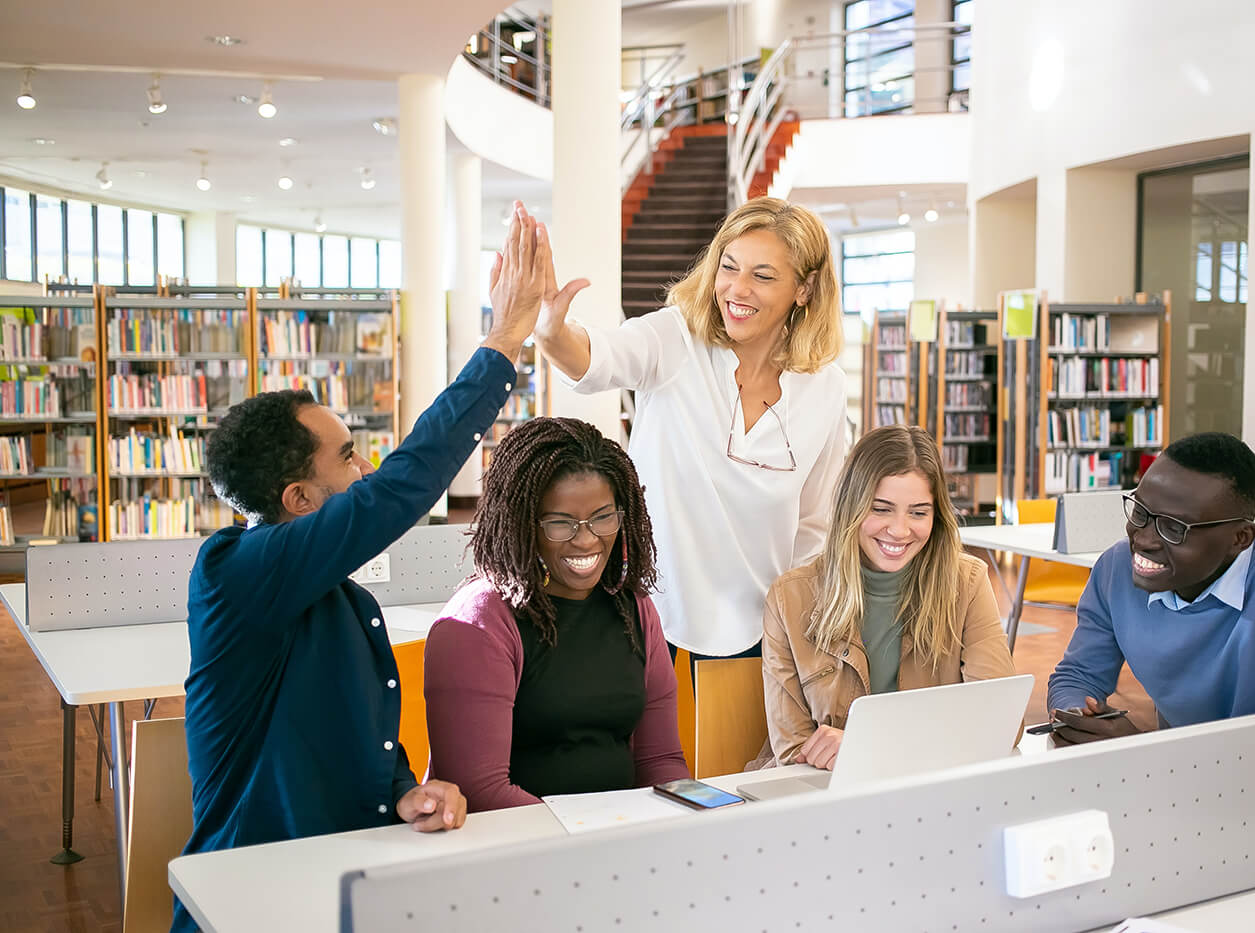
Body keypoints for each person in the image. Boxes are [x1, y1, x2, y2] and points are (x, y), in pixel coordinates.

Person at [174, 203, 549, 932]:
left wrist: (402, 789)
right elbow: (397, 489)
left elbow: (351, 733)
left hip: (344, 881)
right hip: (251, 899)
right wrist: (503, 341)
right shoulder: (234, 573)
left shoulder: (338, 597)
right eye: (347, 456)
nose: (366, 467)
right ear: (298, 497)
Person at [533, 197, 847, 663]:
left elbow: (814, 526)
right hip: (647, 619)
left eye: (762, 276)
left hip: (762, 633)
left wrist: (800, 634)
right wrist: (553, 333)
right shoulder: (676, 339)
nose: (737, 290)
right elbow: (600, 358)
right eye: (729, 267)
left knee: (737, 741)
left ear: (805, 289)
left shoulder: (825, 387)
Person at [423, 417, 689, 810]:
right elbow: (480, 792)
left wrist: (694, 816)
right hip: (522, 849)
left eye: (603, 517)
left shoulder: (634, 608)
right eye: (560, 524)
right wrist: (591, 838)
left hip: (620, 840)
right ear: (522, 523)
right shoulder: (478, 622)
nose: (586, 539)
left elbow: (660, 761)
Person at [1047, 432, 1255, 744]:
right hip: (1181, 782)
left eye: (1174, 528)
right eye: (1140, 512)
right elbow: (1078, 676)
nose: (1143, 539)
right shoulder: (1116, 567)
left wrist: (1141, 752)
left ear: (1240, 538)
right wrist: (1078, 716)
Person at [755, 425, 1016, 769]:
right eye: (881, 509)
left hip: (929, 787)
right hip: (823, 795)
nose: (899, 529)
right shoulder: (789, 599)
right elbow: (793, 752)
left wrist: (868, 746)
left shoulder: (967, 583)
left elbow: (1002, 723)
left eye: (919, 512)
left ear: (936, 517)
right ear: (852, 507)